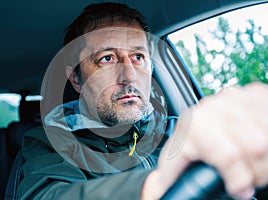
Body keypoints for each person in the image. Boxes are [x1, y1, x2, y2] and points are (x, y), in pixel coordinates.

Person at [17, 2, 268, 199]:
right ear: (76, 79)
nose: (129, 76)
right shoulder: (52, 141)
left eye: (138, 57)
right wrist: (160, 185)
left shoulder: (177, 130)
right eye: (107, 59)